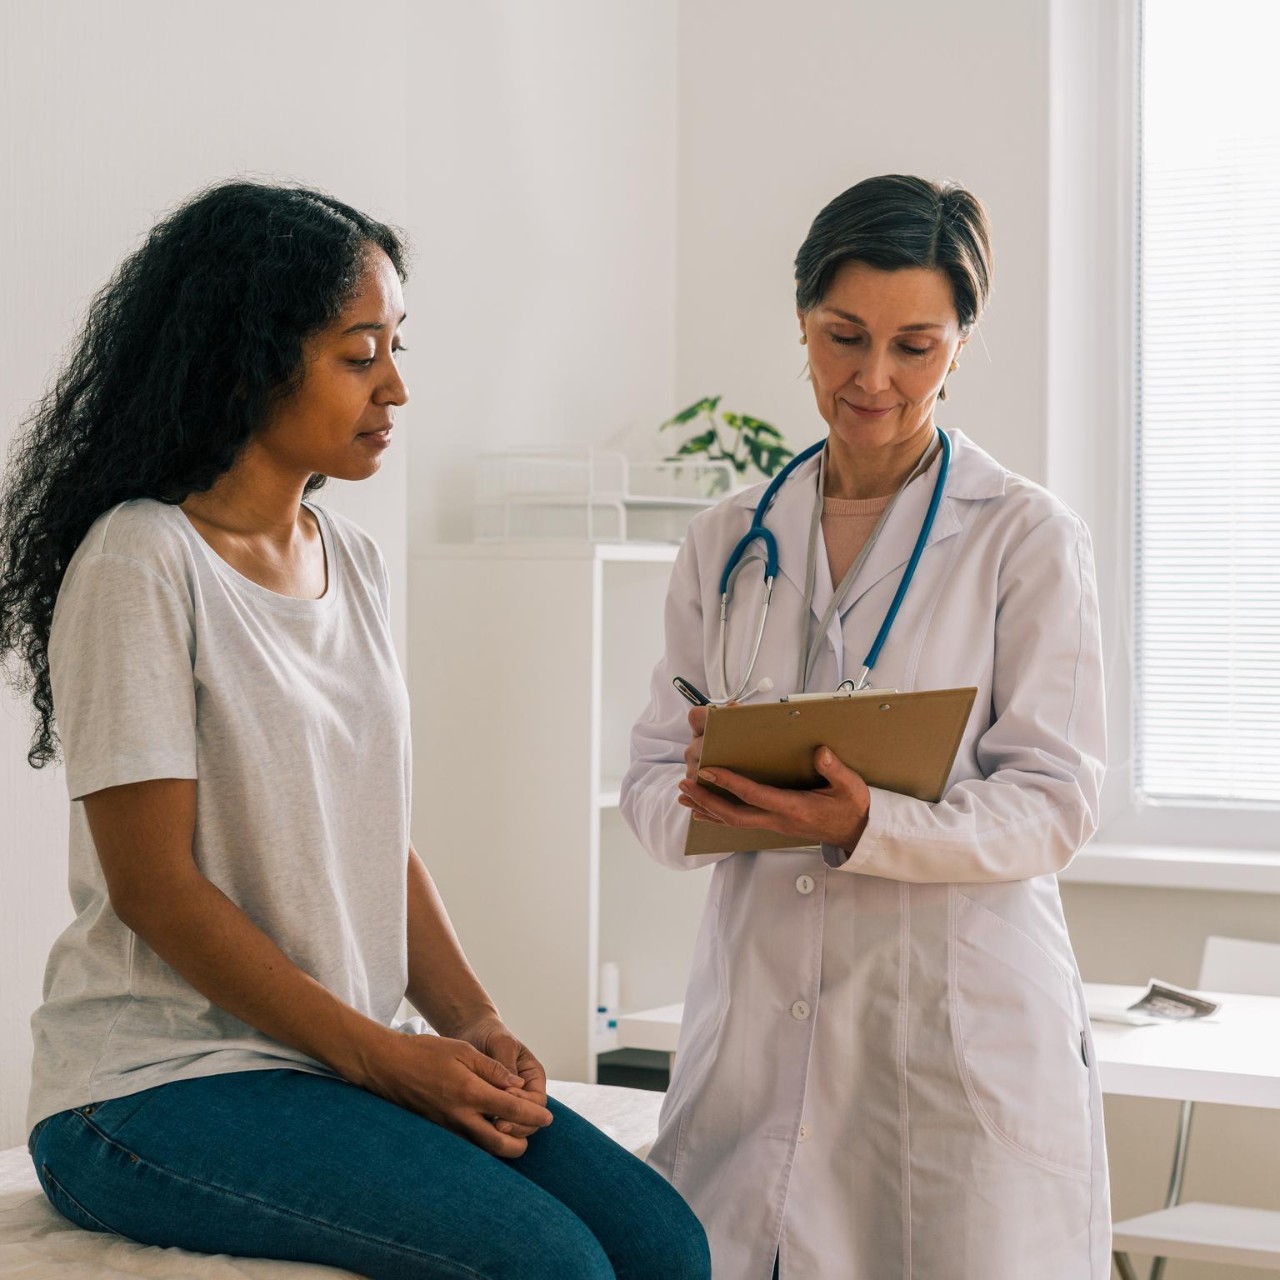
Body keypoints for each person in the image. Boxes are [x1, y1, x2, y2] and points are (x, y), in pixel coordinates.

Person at [0, 180, 710, 1280]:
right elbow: (154, 888)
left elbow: (376, 837)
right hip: (150, 1086)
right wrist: (383, 1058)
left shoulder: (355, 561)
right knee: (553, 1266)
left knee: (666, 1244)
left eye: (395, 346)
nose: (396, 386)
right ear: (249, 361)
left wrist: (471, 1021)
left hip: (325, 1061)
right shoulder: (142, 559)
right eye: (358, 353)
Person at [621, 174, 1110, 1279]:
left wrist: (865, 824)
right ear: (801, 320)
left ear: (960, 345)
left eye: (914, 346)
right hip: (758, 1033)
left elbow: (1054, 799)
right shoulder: (727, 540)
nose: (872, 378)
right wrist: (702, 801)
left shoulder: (1024, 536)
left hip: (952, 1034)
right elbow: (651, 769)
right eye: (843, 337)